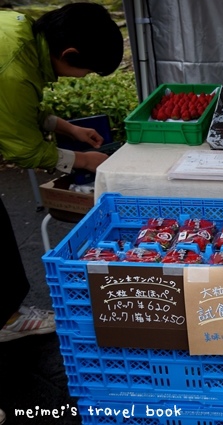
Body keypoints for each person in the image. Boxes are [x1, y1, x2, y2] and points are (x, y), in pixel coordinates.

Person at [0, 2, 123, 345]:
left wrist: (68, 128)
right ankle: (7, 318)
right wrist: (83, 161)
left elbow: (15, 108)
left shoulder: (17, 30)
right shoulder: (14, 70)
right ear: (69, 52)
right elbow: (22, 149)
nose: (82, 78)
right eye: (88, 70)